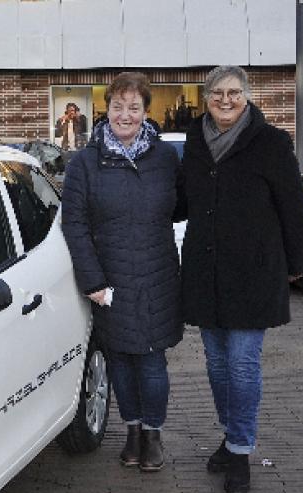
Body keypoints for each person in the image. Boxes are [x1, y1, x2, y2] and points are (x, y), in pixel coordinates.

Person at [177, 66, 303, 493]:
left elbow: (292, 205)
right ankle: (231, 435)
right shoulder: (195, 139)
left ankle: (240, 449)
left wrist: (297, 261)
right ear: (207, 97)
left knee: (242, 363)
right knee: (216, 365)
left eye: (234, 92)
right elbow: (181, 198)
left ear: (247, 97)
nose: (226, 100)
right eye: (218, 92)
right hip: (207, 270)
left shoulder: (271, 142)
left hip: (253, 271)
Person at [61, 72, 183, 472]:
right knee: (118, 360)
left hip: (156, 276)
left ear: (146, 112)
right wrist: (92, 279)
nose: (125, 115)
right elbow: (74, 224)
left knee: (151, 361)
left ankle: (153, 434)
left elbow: (180, 206)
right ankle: (131, 430)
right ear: (105, 109)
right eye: (118, 106)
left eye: (134, 107)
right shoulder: (85, 163)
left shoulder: (165, 159)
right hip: (109, 279)